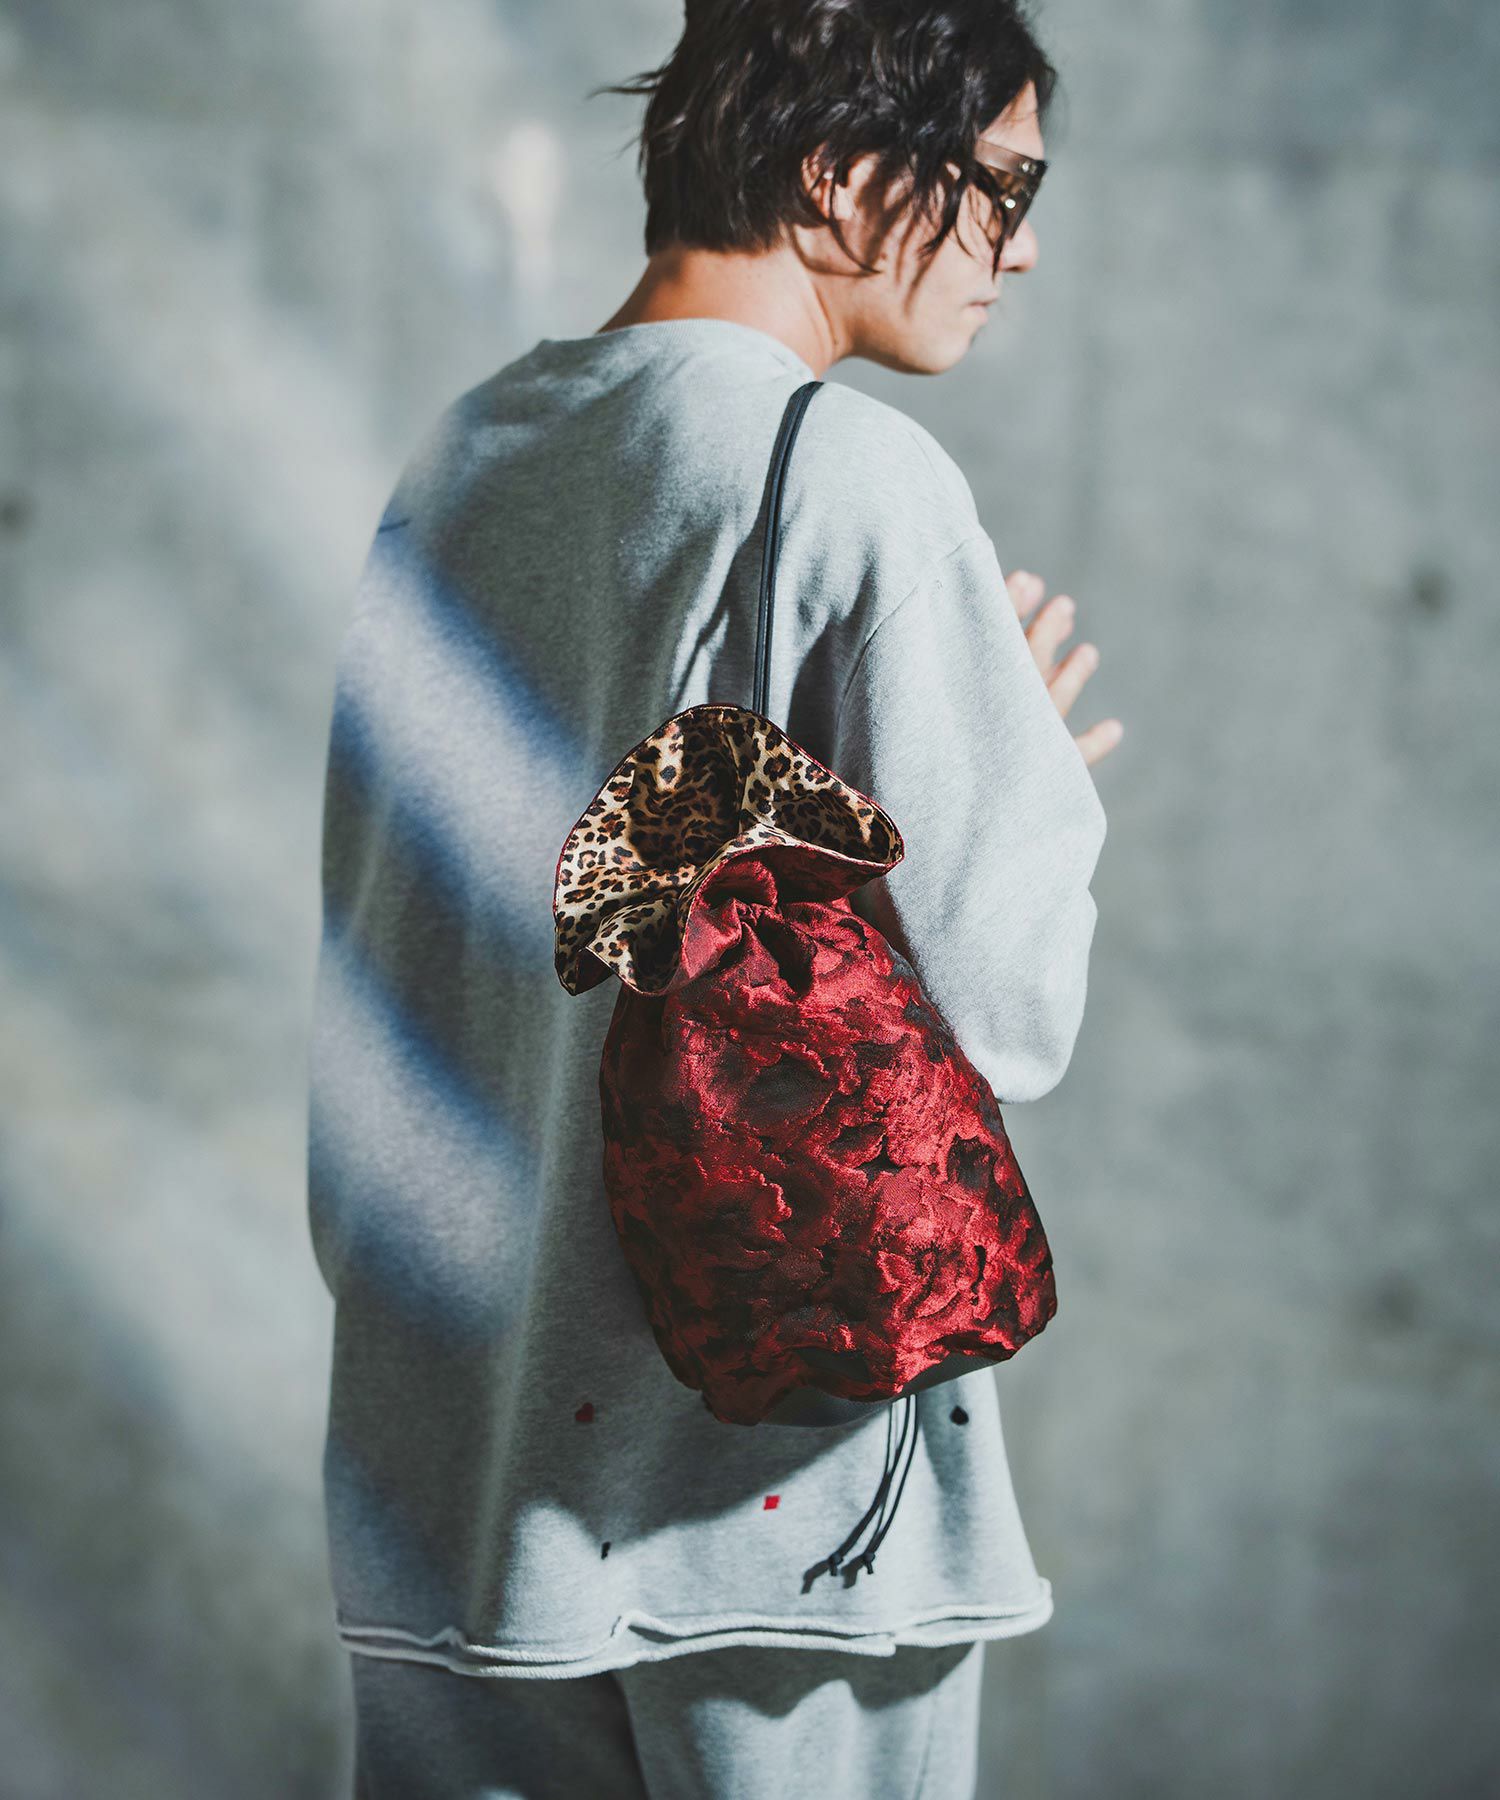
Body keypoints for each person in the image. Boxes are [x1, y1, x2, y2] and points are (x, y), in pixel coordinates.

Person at [306, 2, 1123, 1794]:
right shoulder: (853, 478)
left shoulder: (463, 460)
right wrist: (1034, 775)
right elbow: (1004, 1017)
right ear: (839, 176)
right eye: (1002, 185)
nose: (1021, 246)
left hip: (451, 1468)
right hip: (768, 1515)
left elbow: (402, 952)